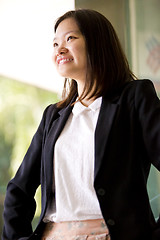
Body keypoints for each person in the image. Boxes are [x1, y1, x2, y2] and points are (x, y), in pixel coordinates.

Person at [2, 8, 160, 240]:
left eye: (70, 38)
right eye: (55, 44)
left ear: (97, 43)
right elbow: (18, 190)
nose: (60, 49)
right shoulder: (52, 117)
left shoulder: (134, 98)